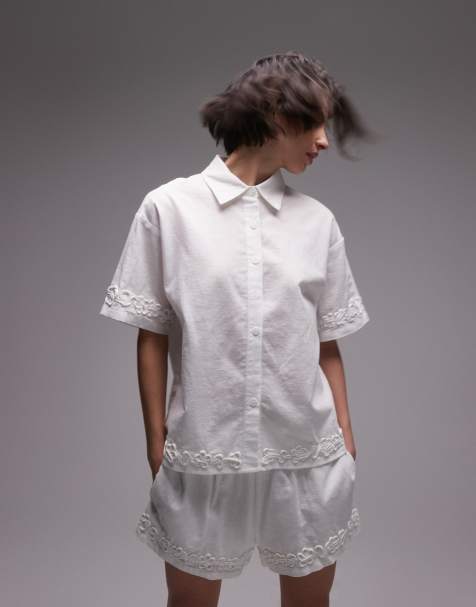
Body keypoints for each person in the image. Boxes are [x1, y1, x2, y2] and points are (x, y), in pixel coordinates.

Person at [99, 50, 373, 607]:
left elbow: (327, 341)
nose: (323, 142)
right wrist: (156, 441)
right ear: (275, 114)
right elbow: (151, 333)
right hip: (206, 446)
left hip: (307, 451)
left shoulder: (317, 222)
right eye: (315, 124)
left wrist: (345, 435)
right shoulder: (168, 209)